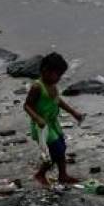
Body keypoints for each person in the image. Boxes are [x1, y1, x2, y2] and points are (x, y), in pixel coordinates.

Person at [24, 52, 84, 186]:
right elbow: (27, 105)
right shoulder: (37, 86)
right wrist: (38, 119)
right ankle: (40, 174)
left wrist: (74, 112)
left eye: (60, 75)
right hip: (41, 126)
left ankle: (63, 175)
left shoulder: (52, 85)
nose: (58, 78)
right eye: (57, 74)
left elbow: (58, 101)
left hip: (53, 123)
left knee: (61, 147)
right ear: (45, 71)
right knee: (55, 150)